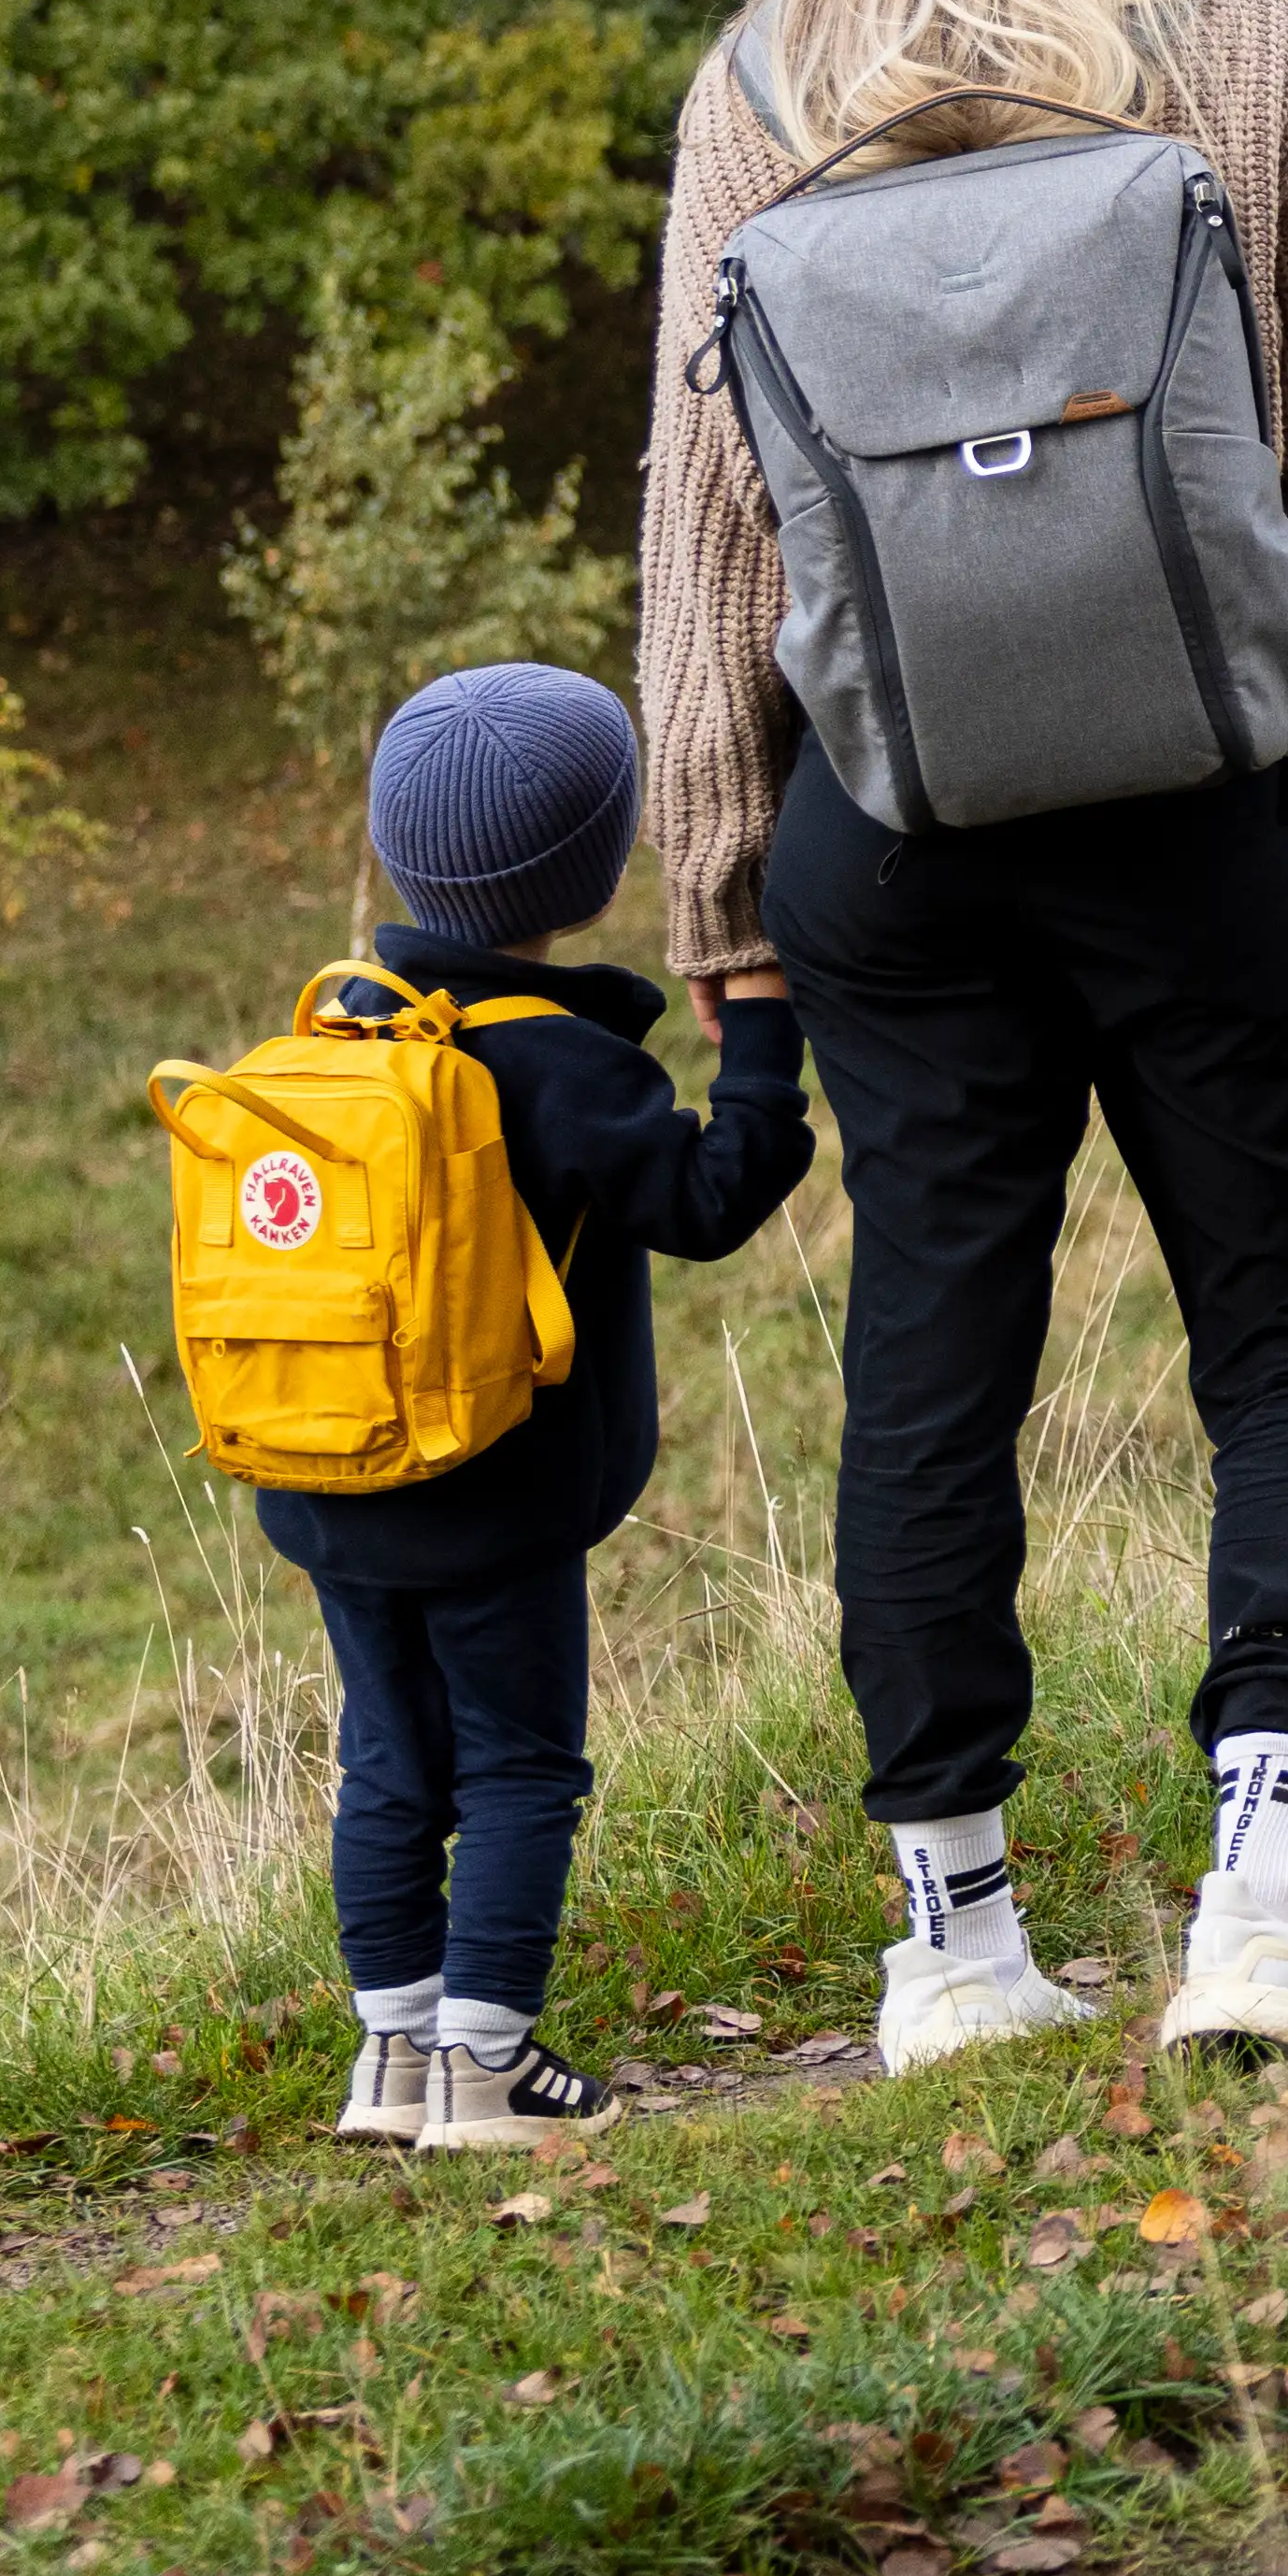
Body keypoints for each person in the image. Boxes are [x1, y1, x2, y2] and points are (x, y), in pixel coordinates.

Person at [633, 0, 1288, 2077]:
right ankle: (1262, 1879)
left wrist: (724, 878)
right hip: (1212, 794)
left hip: (892, 833)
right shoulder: (1230, 29)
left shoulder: (759, 93)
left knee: (935, 1343)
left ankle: (957, 1944)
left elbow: (706, 532)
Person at [275, 659, 822, 2154]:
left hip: (337, 1480)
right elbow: (712, 1200)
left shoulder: (336, 1038)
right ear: (588, 871)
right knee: (521, 1763)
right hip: (497, 1494)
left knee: (391, 1758)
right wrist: (764, 1034)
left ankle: (391, 2060)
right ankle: (489, 2069)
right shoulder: (557, 1059)